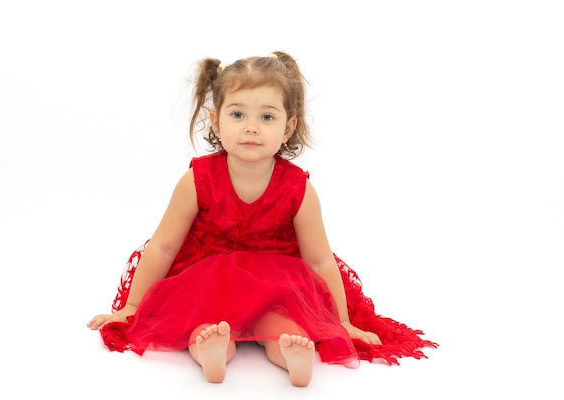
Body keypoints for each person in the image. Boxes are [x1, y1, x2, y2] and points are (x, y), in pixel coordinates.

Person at [87, 51, 437, 387]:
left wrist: (342, 321)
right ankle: (213, 352)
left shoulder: (298, 188)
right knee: (204, 323)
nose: (251, 128)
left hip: (278, 286)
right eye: (237, 115)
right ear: (215, 120)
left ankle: (292, 357)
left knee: (286, 327)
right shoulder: (198, 179)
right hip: (208, 280)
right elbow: (163, 247)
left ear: (288, 127)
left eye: (267, 117)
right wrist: (132, 306)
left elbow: (318, 259)